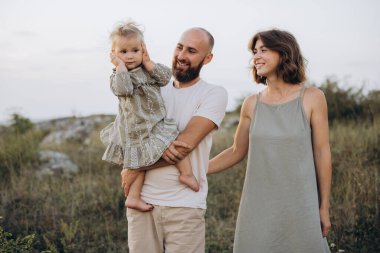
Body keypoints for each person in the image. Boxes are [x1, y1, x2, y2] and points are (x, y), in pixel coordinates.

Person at [208, 29, 332, 253]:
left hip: (301, 205)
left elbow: (322, 153)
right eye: (254, 51)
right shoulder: (251, 104)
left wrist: (324, 207)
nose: (256, 57)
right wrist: (198, 169)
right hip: (258, 206)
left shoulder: (313, 97)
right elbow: (236, 150)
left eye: (263, 50)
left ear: (284, 53)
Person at [121, 27, 228, 253]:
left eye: (191, 51)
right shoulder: (151, 90)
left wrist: (134, 167)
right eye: (179, 47)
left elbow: (182, 147)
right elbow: (130, 136)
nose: (181, 56)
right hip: (143, 206)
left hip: (184, 207)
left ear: (207, 58)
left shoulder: (213, 94)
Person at [100, 21, 199, 212]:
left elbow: (165, 77)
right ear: (114, 53)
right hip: (136, 129)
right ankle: (135, 196)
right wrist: (119, 66)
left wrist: (148, 62)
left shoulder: (148, 70)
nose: (129, 56)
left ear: (143, 50)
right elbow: (125, 89)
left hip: (154, 122)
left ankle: (185, 174)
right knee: (140, 159)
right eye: (123, 52)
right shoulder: (118, 76)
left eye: (135, 50)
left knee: (170, 139)